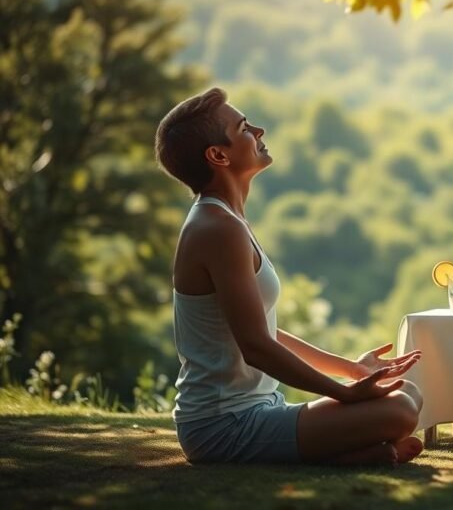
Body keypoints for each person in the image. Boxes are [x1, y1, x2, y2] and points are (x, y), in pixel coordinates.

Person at [154, 87, 424, 466]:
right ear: (218, 155)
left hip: (261, 408)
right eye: (245, 127)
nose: (259, 131)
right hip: (222, 426)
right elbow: (256, 346)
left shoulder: (229, 220)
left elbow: (263, 330)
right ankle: (337, 456)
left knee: (408, 393)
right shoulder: (216, 228)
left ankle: (349, 454)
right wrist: (345, 394)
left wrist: (352, 371)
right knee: (398, 412)